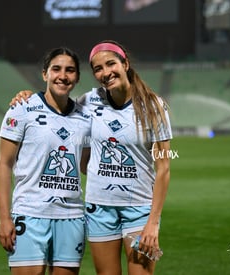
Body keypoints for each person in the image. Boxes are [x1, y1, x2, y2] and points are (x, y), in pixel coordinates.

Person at [11, 40, 172, 275]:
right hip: (99, 209)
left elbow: (164, 168)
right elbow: (57, 109)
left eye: (111, 64)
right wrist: (27, 97)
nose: (106, 73)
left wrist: (153, 223)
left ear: (125, 63)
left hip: (140, 209)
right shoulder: (88, 102)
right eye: (98, 68)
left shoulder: (154, 106)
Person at [0, 47, 91, 275]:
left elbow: (86, 166)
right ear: (45, 74)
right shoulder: (22, 109)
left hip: (72, 216)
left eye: (70, 70)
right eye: (56, 69)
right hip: (30, 213)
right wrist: (4, 217)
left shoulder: (86, 117)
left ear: (76, 78)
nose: (63, 75)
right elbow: (4, 165)